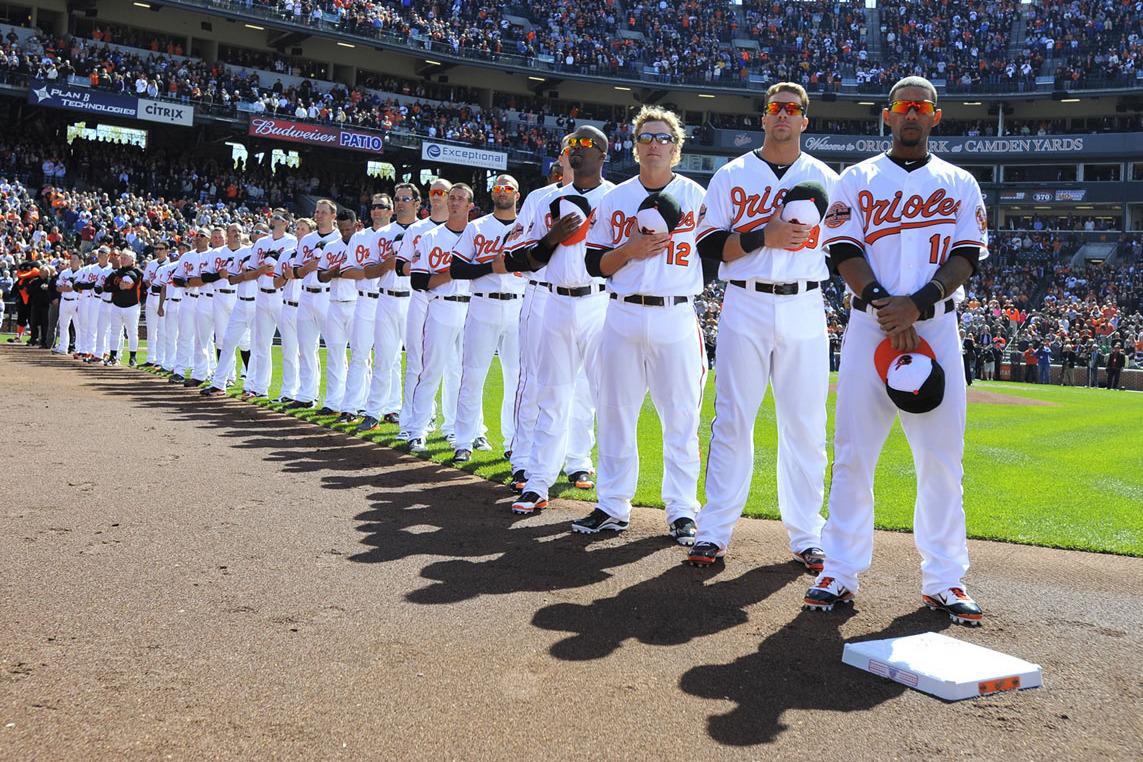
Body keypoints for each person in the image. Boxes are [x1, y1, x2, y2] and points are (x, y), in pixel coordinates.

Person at [805, 76, 988, 626]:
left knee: (940, 459)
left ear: (936, 115)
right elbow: (842, 248)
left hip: (935, 328)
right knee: (854, 453)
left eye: (921, 106)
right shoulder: (857, 179)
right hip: (869, 327)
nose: (911, 114)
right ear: (888, 115)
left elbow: (967, 254)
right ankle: (839, 568)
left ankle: (945, 578)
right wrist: (889, 305)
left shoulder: (959, 182)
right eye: (903, 106)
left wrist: (920, 303)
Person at [688, 82, 838, 567]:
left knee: (806, 425)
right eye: (775, 108)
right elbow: (710, 246)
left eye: (792, 109)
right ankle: (714, 528)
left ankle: (806, 533)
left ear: (804, 121)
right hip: (745, 303)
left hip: (804, 305)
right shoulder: (732, 174)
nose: (783, 115)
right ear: (763, 117)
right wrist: (763, 236)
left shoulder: (825, 177)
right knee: (733, 418)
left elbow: (841, 251)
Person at [568, 106, 708, 542]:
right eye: (646, 137)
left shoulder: (697, 196)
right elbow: (595, 263)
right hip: (623, 312)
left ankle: (682, 510)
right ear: (635, 145)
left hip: (677, 313)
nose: (653, 144)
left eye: (663, 138)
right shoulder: (616, 198)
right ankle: (612, 504)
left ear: (676, 148)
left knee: (682, 418)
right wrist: (630, 250)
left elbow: (717, 256)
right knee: (614, 413)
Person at [506, 126, 615, 515]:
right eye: (572, 144)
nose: (577, 149)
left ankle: (611, 494)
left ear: (604, 153)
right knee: (553, 394)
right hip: (555, 300)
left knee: (605, 397)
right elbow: (524, 259)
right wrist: (550, 238)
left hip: (600, 303)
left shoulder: (617, 198)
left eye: (587, 144)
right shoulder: (548, 199)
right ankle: (537, 482)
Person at [448, 175, 524, 463]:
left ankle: (514, 442)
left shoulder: (527, 226)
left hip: (518, 306)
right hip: (483, 305)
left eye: (508, 188)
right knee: (473, 375)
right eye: (497, 188)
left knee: (517, 379)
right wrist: (491, 266)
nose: (502, 192)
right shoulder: (476, 227)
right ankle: (464, 441)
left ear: (517, 194)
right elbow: (457, 268)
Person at [402, 184, 475, 452]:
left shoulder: (476, 235)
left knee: (464, 374)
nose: (453, 202)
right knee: (430, 370)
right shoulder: (430, 237)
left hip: (471, 308)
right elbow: (419, 281)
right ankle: (417, 429)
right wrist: (454, 272)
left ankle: (460, 430)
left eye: (459, 199)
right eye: (450, 197)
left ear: (470, 206)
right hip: (441, 306)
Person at [358, 186, 419, 431]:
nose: (401, 203)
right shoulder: (382, 234)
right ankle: (374, 411)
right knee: (384, 358)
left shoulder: (426, 231)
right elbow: (367, 271)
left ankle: (418, 415)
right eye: (397, 199)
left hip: (415, 298)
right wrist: (387, 264)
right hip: (385, 297)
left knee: (417, 360)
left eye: (406, 198)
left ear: (416, 202)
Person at [343, 193, 393, 419]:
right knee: (359, 354)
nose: (376, 210)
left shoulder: (398, 234)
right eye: (373, 206)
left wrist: (372, 269)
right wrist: (375, 269)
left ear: (390, 210)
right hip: (364, 299)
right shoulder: (359, 237)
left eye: (381, 206)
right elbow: (346, 270)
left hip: (389, 298)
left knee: (390, 358)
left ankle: (392, 407)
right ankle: (351, 407)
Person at [315, 208, 367, 418]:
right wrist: (336, 271)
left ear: (356, 225)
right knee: (335, 354)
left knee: (360, 356)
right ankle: (333, 402)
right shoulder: (332, 246)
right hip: (335, 302)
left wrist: (342, 271)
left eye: (348, 228)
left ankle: (360, 403)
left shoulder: (363, 243)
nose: (345, 232)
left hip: (357, 302)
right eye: (342, 228)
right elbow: (321, 276)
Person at [289, 201, 341, 409]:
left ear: (333, 215)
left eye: (323, 212)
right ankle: (306, 395)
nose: (318, 215)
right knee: (306, 348)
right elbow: (297, 272)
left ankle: (334, 400)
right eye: (317, 212)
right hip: (306, 294)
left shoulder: (339, 238)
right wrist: (312, 265)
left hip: (329, 296)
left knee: (335, 349)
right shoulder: (307, 240)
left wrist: (317, 266)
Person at [203, 224, 260, 397]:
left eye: (239, 231)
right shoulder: (218, 253)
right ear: (227, 234)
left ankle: (250, 383)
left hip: (247, 300)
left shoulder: (250, 251)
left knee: (248, 343)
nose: (236, 234)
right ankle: (221, 383)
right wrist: (221, 275)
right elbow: (206, 276)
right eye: (233, 231)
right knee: (224, 341)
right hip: (222, 296)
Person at [247, 210, 297, 400]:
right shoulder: (261, 242)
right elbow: (251, 271)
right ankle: (260, 388)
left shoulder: (292, 241)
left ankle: (289, 391)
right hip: (261, 294)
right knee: (261, 344)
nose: (273, 219)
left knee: (289, 346)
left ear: (285, 222)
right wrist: (261, 269)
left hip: (281, 295)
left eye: (277, 217)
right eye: (273, 217)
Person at [275, 217, 313, 403]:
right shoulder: (287, 253)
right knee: (289, 351)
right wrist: (286, 275)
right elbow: (276, 282)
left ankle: (309, 395)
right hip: (288, 305)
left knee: (308, 352)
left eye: (303, 229)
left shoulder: (314, 254)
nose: (299, 232)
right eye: (297, 228)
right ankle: (288, 393)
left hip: (306, 305)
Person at [104, 250, 145, 366]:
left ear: (133, 260)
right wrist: (119, 287)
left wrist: (139, 301)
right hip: (116, 305)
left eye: (126, 257)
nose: (122, 259)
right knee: (115, 332)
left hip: (132, 306)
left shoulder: (138, 272)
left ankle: (133, 357)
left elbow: (144, 289)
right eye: (122, 257)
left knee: (132, 333)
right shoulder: (115, 273)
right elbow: (106, 287)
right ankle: (112, 356)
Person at [154, 241, 182, 375]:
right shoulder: (168, 268)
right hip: (170, 303)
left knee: (185, 336)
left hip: (184, 302)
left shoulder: (188, 266)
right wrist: (160, 306)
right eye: (175, 253)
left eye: (181, 252)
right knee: (170, 335)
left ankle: (186, 365)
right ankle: (169, 363)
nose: (178, 255)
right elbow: (163, 288)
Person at [141, 241, 169, 367]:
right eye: (156, 249)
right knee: (151, 330)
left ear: (167, 250)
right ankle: (150, 358)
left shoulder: (170, 264)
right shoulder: (152, 264)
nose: (158, 251)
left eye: (161, 249)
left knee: (162, 331)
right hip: (151, 297)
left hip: (163, 298)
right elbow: (145, 279)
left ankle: (160, 360)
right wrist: (149, 284)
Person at [54, 252, 82, 355]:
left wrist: (68, 288)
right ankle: (63, 347)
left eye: (75, 259)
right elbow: (57, 287)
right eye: (71, 259)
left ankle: (79, 349)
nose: (72, 261)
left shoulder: (83, 272)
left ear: (80, 261)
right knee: (63, 325)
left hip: (77, 301)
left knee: (78, 326)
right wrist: (65, 288)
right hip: (64, 300)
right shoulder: (64, 273)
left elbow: (75, 289)